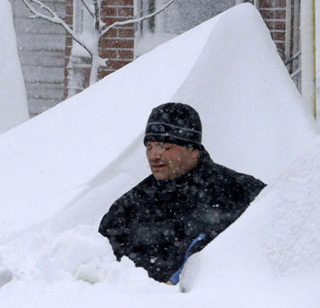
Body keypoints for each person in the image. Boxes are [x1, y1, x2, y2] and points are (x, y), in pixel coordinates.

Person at [98, 102, 265, 283]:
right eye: (149, 146)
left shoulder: (242, 193)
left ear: (193, 151)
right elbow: (99, 269)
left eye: (165, 147)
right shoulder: (128, 208)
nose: (154, 155)